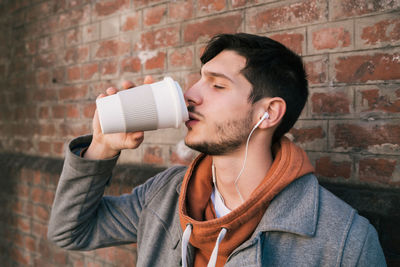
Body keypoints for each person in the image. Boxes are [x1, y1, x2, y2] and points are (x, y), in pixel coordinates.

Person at [47, 33, 386, 267]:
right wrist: (102, 148)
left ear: (267, 113)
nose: (191, 94)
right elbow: (70, 231)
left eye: (217, 84)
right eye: (198, 79)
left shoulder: (344, 240)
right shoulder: (166, 194)